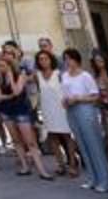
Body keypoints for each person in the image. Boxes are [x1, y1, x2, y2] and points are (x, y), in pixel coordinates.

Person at [59, 48, 108, 193]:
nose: (68, 61)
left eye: (70, 58)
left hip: (85, 109)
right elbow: (65, 93)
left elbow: (95, 96)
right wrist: (65, 101)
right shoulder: (64, 76)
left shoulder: (85, 76)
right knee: (82, 144)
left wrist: (79, 98)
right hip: (71, 110)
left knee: (94, 144)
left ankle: (104, 180)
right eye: (66, 59)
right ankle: (92, 178)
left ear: (77, 59)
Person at [0, 48, 51, 179]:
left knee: (30, 142)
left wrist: (10, 77)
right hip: (6, 111)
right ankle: (25, 167)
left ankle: (42, 170)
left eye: (3, 66)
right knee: (16, 141)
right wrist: (7, 94)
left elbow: (16, 91)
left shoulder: (21, 74)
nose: (0, 68)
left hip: (21, 110)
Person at [34, 49, 77, 177]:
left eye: (45, 58)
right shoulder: (38, 75)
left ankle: (73, 164)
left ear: (51, 59)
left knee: (66, 136)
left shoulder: (59, 74)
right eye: (40, 59)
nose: (43, 61)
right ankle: (60, 164)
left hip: (60, 109)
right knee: (52, 137)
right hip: (47, 109)